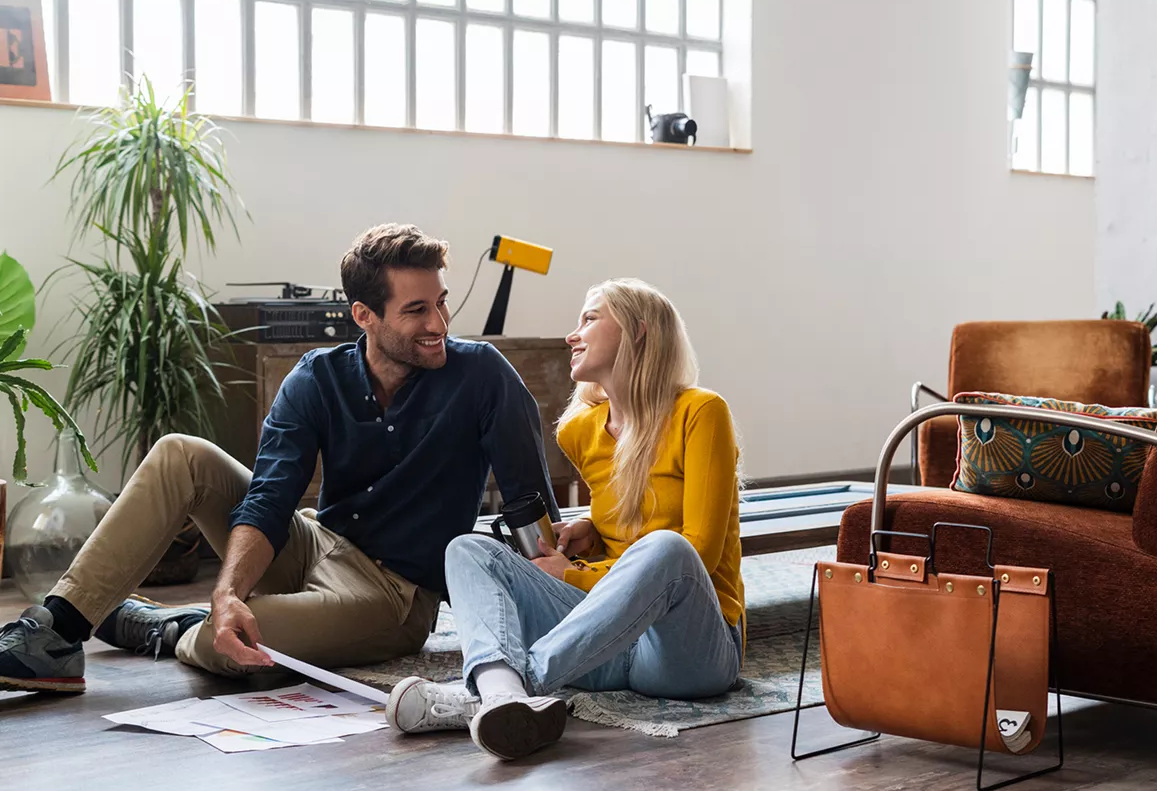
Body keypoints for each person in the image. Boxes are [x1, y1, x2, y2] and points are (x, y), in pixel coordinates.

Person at [0, 223, 558, 693]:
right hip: (314, 539)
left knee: (245, 643)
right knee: (181, 454)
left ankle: (168, 630)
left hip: (392, 594)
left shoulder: (482, 374)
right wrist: (227, 590)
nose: (438, 324)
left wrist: (558, 587)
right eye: (416, 310)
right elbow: (270, 495)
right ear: (363, 315)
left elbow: (529, 501)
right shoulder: (317, 376)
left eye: (440, 303)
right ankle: (56, 631)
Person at [386, 278, 744, 762]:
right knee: (466, 548)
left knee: (669, 549)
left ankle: (499, 691)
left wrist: (574, 573)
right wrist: (590, 533)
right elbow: (630, 509)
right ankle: (500, 693)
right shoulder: (582, 430)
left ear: (639, 332)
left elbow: (696, 550)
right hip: (609, 644)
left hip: (687, 651)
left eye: (590, 319)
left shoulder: (701, 413)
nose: (572, 335)